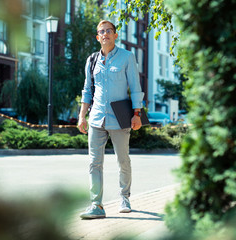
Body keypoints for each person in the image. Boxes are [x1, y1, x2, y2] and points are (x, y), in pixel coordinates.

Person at [78, 20, 144, 219]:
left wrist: (137, 114)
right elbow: (87, 91)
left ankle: (124, 197)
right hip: (96, 118)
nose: (105, 34)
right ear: (98, 37)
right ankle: (96, 205)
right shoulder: (91, 60)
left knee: (122, 160)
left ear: (115, 35)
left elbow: (135, 87)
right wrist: (82, 115)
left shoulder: (127, 57)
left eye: (109, 31)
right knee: (94, 163)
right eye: (101, 31)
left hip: (120, 118)